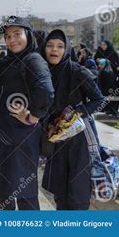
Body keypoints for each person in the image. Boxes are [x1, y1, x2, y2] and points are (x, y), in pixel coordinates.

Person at [0, 16, 54, 210]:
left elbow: (46, 92)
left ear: (28, 35)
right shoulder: (6, 62)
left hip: (22, 139)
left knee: (25, 195)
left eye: (17, 34)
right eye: (7, 36)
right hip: (1, 138)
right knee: (4, 193)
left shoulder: (33, 59)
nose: (12, 40)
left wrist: (32, 117)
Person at [39, 30, 104, 210]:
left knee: (78, 191)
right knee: (60, 192)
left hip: (79, 137)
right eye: (50, 45)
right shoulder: (43, 73)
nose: (54, 50)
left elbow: (99, 100)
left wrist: (77, 112)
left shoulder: (77, 71)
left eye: (60, 46)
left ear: (66, 49)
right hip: (57, 139)